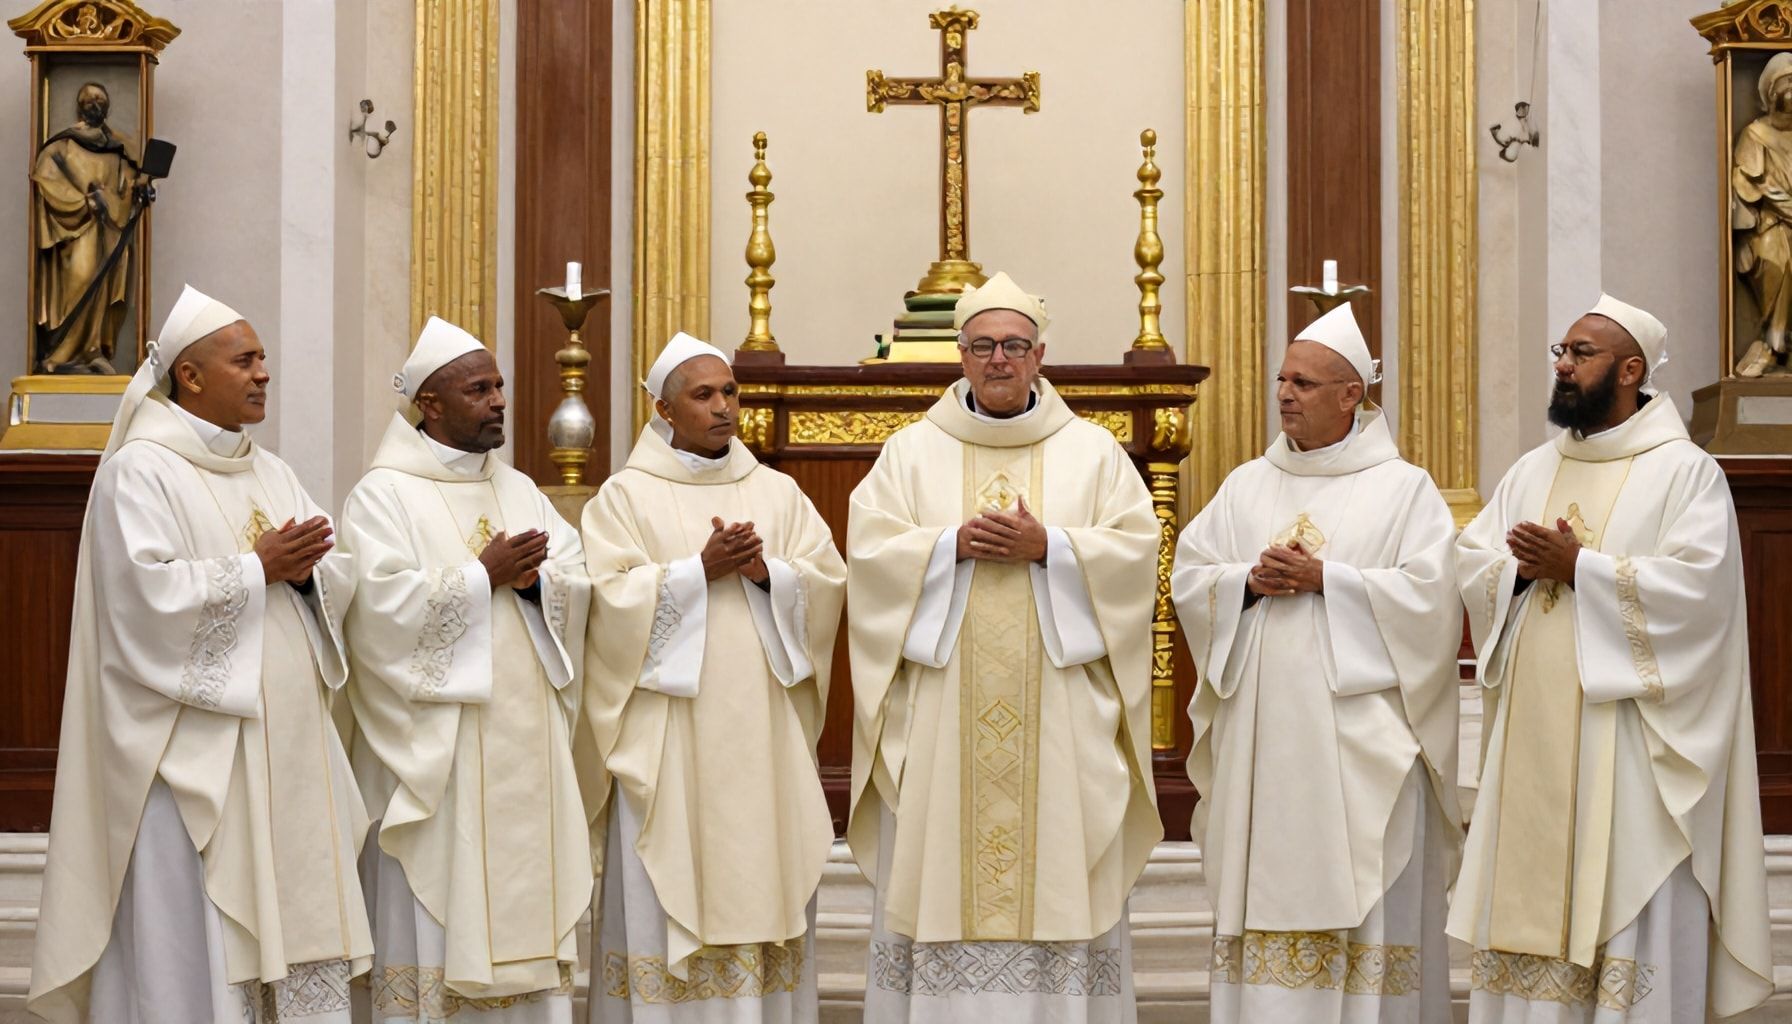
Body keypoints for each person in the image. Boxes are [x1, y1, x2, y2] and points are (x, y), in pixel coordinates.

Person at [28, 285, 372, 1022]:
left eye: (265, 360)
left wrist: (310, 575)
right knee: (201, 958)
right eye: (244, 360)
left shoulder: (271, 470)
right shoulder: (139, 471)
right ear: (189, 375)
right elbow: (140, 604)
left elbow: (330, 577)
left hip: (284, 764)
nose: (262, 374)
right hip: (192, 770)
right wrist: (256, 569)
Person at [845, 272, 1161, 1023]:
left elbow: (1138, 557)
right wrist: (946, 548)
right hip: (945, 715)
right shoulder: (910, 454)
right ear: (958, 354)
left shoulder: (1092, 454)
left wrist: (1050, 546)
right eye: (983, 345)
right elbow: (870, 558)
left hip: (1059, 720)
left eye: (1014, 346)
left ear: (1040, 354)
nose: (998, 360)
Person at [1452, 295, 1772, 1020]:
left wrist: (1584, 568)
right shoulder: (1533, 469)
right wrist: (1521, 571)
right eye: (1560, 352)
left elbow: (1702, 598)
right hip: (1535, 738)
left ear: (1631, 371)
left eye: (1580, 354)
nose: (1563, 366)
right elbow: (1472, 560)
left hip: (1626, 749)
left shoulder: (1685, 473)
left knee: (1623, 916)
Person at [1171, 302, 1461, 1020]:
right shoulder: (1247, 484)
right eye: (1281, 379)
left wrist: (1328, 579)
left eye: (1303, 383)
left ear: (1350, 396)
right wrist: (1247, 582)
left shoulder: (1404, 490)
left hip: (1360, 750)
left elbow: (1431, 602)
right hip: (1265, 745)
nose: (1285, 394)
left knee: (1364, 907)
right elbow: (1191, 574)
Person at [580, 332, 846, 1022]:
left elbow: (826, 584)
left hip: (761, 736)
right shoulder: (624, 498)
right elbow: (606, 603)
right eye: (704, 395)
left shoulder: (778, 492)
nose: (724, 407)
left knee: (764, 873)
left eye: (729, 392)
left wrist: (767, 574)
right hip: (673, 741)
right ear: (665, 409)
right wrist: (698, 572)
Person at [338, 316, 594, 1022]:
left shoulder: (518, 490)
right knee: (441, 919)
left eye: (500, 387)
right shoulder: (382, 496)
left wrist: (540, 584)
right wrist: (479, 578)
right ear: (431, 404)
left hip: (524, 745)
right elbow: (376, 615)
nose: (499, 402)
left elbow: (575, 576)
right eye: (479, 390)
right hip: (441, 756)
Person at [32, 82, 141, 373]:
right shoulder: (62, 146)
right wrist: (84, 203)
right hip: (75, 233)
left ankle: (93, 350)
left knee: (101, 291)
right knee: (79, 280)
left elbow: (126, 190)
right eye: (90, 100)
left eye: (101, 101)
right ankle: (60, 353)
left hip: (107, 232)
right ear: (80, 106)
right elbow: (44, 179)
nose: (96, 105)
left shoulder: (117, 150)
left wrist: (122, 197)